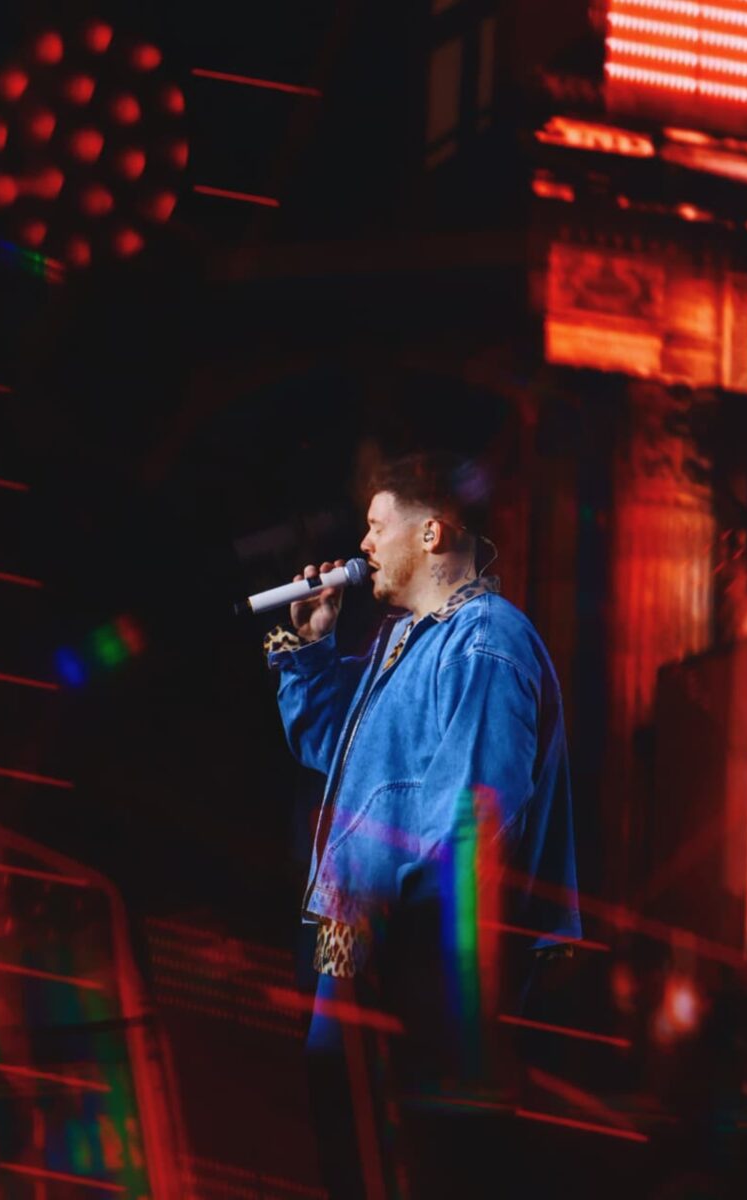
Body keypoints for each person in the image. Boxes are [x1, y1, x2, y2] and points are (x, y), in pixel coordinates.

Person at [264, 451, 580, 1198]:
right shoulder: (405, 643)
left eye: (377, 526)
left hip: (413, 950)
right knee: (352, 1138)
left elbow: (473, 819)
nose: (363, 544)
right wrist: (310, 647)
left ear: (431, 533)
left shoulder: (485, 641)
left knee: (414, 1157)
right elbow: (334, 754)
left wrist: (394, 944)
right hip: (362, 937)